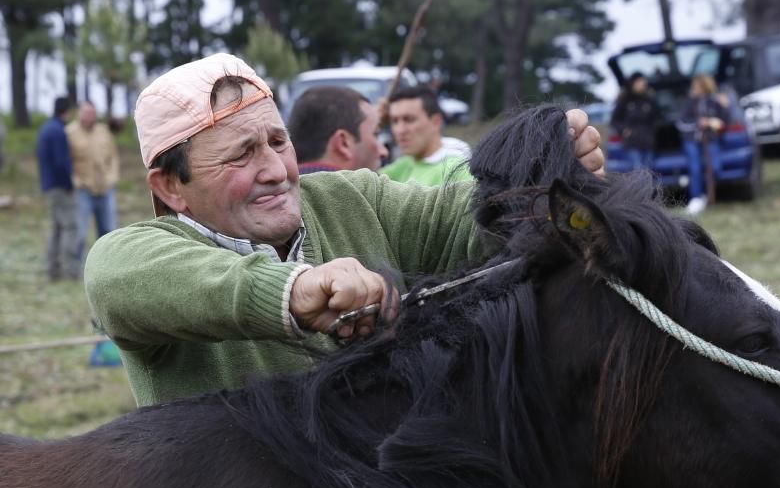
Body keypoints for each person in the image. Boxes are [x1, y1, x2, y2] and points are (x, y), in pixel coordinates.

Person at [84, 53, 604, 407]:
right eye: (241, 154)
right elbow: (113, 276)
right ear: (172, 187)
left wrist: (541, 182)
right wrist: (291, 293)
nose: (275, 170)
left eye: (277, 141)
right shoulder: (151, 258)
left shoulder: (349, 198)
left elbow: (454, 222)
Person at [380, 85, 473, 185]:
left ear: (436, 122)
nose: (400, 130)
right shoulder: (406, 162)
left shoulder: (457, 171)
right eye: (394, 121)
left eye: (409, 119)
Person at [287, 85, 388, 173]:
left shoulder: (279, 191)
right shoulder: (356, 194)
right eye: (375, 134)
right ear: (343, 143)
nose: (384, 152)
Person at [66, 100, 120, 258]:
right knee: (79, 232)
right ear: (79, 113)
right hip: (83, 189)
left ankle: (106, 263)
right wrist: (75, 181)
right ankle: (77, 268)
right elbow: (66, 162)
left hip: (106, 188)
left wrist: (112, 177)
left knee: (108, 230)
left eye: (93, 113)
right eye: (86, 113)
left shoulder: (103, 131)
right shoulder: (69, 132)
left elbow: (113, 157)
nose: (90, 116)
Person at [36, 96, 78, 281]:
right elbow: (62, 162)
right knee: (70, 227)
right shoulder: (59, 131)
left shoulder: (45, 129)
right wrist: (70, 184)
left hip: (48, 185)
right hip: (60, 186)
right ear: (66, 111)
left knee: (56, 228)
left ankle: (53, 270)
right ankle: (71, 271)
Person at [678, 74, 730, 216]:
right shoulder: (689, 102)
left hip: (711, 139)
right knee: (694, 167)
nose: (694, 88)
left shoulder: (715, 101)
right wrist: (699, 124)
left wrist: (725, 107)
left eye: (697, 86)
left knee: (715, 168)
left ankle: (707, 194)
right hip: (691, 140)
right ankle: (696, 197)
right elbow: (681, 123)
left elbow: (725, 120)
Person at [610, 73, 659, 171]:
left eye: (643, 82)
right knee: (637, 171)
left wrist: (652, 132)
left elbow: (655, 119)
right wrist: (623, 130)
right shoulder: (624, 101)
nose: (643, 84)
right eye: (640, 82)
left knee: (650, 172)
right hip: (632, 143)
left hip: (648, 142)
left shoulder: (649, 100)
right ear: (633, 83)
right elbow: (614, 120)